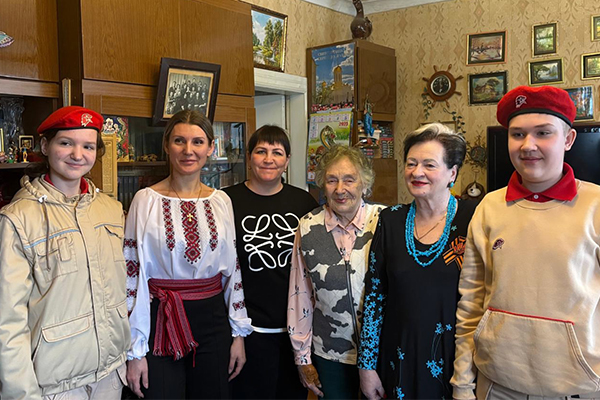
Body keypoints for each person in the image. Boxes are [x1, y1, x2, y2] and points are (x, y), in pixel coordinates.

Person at [451, 85, 600, 399]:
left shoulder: (596, 206)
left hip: (579, 386)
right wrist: (462, 383)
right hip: (497, 383)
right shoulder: (489, 207)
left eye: (543, 133)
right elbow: (471, 303)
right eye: (517, 134)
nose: (528, 145)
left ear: (568, 139)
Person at [0, 106, 130, 399]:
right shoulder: (18, 218)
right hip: (55, 387)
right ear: (46, 146)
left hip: (110, 375)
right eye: (66, 143)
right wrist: (22, 393)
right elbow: (8, 320)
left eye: (88, 146)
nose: (77, 154)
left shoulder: (111, 210)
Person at [124, 109, 252, 399]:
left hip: (213, 320)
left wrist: (238, 334)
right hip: (160, 318)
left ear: (210, 148)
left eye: (198, 142)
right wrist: (135, 350)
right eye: (179, 141)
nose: (188, 150)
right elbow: (132, 274)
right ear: (167, 145)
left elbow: (232, 270)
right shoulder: (145, 201)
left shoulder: (221, 201)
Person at [357, 123, 476, 400]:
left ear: (452, 173)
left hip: (456, 360)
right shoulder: (390, 219)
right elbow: (375, 297)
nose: (417, 172)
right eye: (411, 163)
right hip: (397, 357)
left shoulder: (474, 219)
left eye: (429, 165)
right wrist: (367, 366)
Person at [223, 125, 318, 399]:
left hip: (295, 332)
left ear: (287, 160)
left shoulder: (303, 202)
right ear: (249, 157)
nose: (268, 159)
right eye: (261, 151)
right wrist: (235, 332)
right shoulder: (226, 201)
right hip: (245, 330)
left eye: (277, 153)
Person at [288, 145, 386, 399]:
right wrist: (302, 356)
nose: (340, 189)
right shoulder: (308, 226)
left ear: (365, 183)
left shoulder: (385, 220)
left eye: (349, 180)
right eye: (332, 180)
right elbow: (300, 294)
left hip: (382, 350)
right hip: (330, 354)